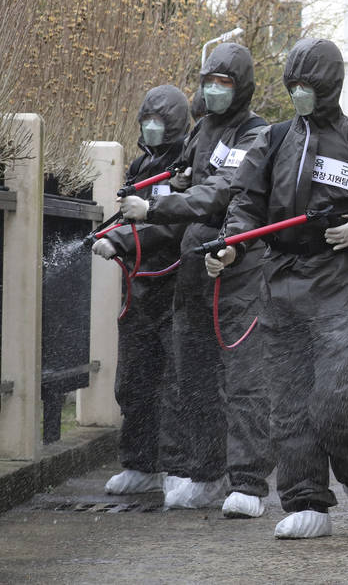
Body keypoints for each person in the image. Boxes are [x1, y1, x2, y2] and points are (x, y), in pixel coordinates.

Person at [207, 37, 348, 539]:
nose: (299, 95)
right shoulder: (271, 141)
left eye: (308, 87)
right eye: (292, 86)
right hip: (280, 287)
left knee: (336, 402)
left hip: (340, 291)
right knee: (290, 406)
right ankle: (305, 500)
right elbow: (246, 204)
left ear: (330, 87)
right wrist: (231, 245)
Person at [118, 43, 275, 517]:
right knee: (194, 377)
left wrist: (158, 207)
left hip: (238, 269)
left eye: (224, 83)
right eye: (209, 81)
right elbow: (189, 180)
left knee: (243, 381)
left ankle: (248, 481)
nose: (214, 90)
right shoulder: (202, 131)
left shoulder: (256, 133)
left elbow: (224, 190)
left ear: (242, 86)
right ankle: (207, 474)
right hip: (194, 271)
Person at [92, 85, 190, 495]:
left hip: (175, 287)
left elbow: (172, 224)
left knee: (175, 382)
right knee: (134, 379)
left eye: (159, 121)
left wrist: (122, 242)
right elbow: (131, 217)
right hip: (140, 288)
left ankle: (177, 467)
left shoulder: (187, 167)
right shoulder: (140, 165)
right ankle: (139, 463)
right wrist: (112, 234)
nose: (151, 128)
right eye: (146, 121)